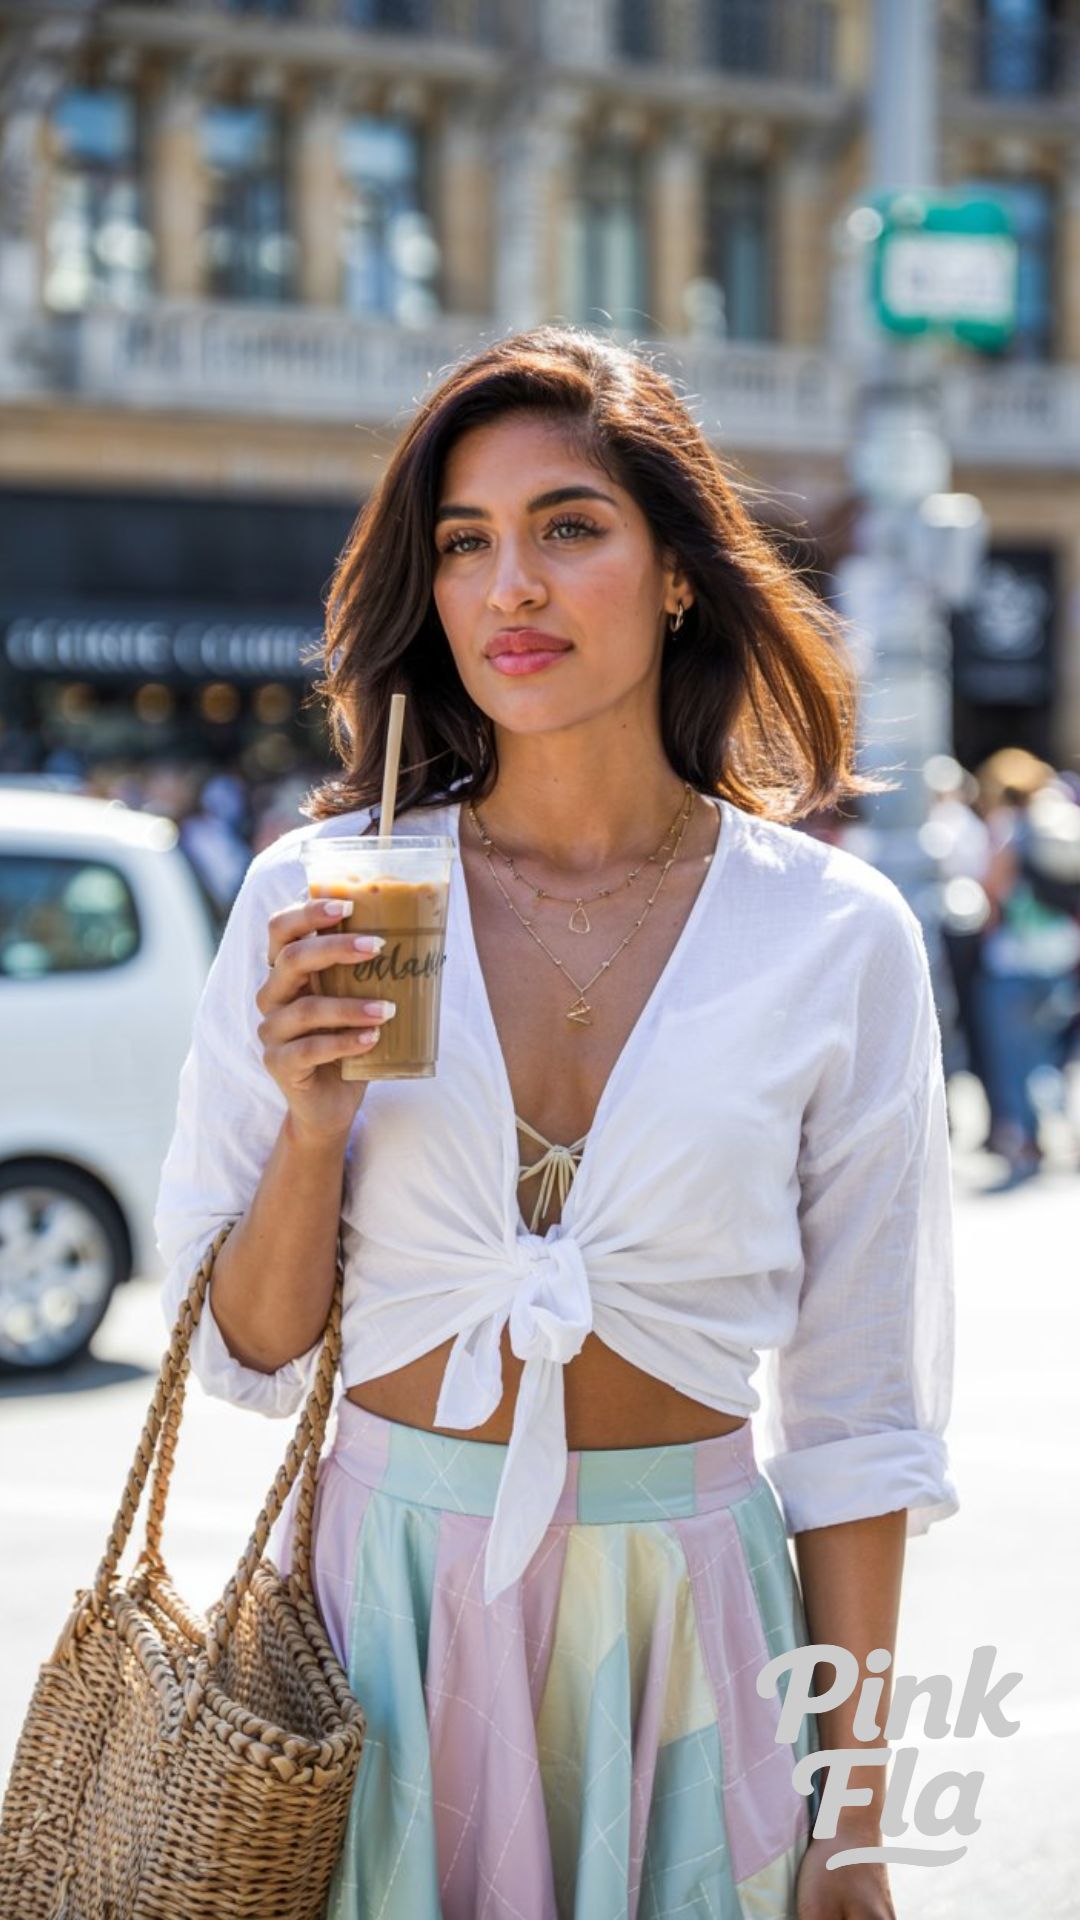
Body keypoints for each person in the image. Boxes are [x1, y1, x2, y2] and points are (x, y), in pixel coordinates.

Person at [154, 326, 958, 1920]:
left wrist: (852, 1827)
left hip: (696, 1624)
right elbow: (241, 1355)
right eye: (465, 545)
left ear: (675, 573)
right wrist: (316, 1130)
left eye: (568, 527)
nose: (509, 585)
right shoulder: (318, 900)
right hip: (381, 1619)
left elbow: (859, 1420)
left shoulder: (836, 933)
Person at [972, 747, 1080, 1182]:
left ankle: (1030, 1141)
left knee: (1014, 1057)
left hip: (1014, 960)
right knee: (1053, 1055)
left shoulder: (1008, 831)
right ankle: (1069, 1128)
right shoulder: (1058, 826)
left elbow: (993, 891)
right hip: (1060, 956)